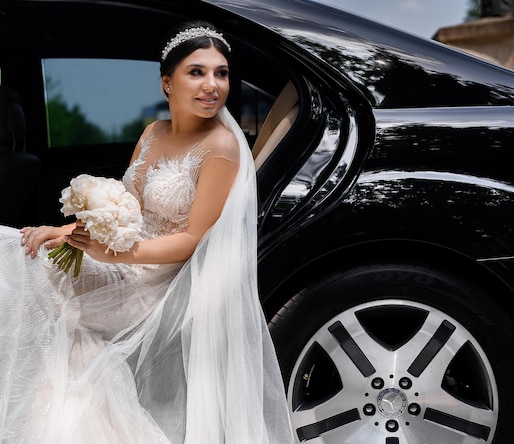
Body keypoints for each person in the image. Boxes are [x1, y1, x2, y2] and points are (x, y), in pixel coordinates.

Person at [0, 20, 294, 443]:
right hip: (124, 258)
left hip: (163, 286)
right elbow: (127, 204)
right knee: (25, 262)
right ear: (167, 84)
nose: (212, 85)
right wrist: (64, 231)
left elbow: (194, 240)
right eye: (197, 72)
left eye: (221, 73)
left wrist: (116, 255)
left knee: (50, 299)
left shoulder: (222, 148)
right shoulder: (152, 132)